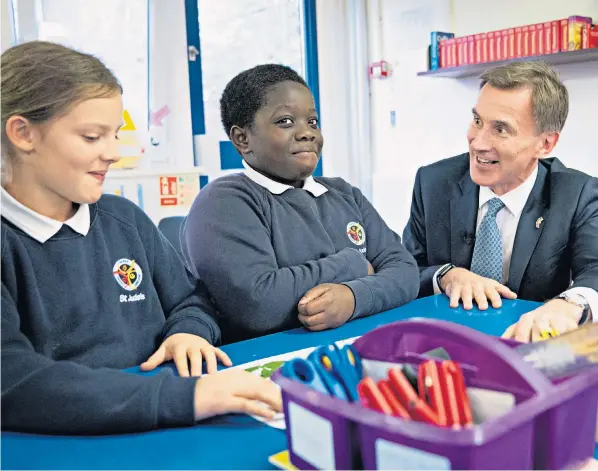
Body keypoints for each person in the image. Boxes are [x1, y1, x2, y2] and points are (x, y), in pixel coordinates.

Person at [1, 41, 281, 435]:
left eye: (115, 135)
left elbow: (191, 299)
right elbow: (13, 381)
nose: (113, 152)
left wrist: (188, 331)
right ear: (23, 133)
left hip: (166, 422)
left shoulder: (125, 220)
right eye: (92, 137)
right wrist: (189, 397)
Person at [181, 64, 419, 343]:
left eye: (313, 122)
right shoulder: (225, 201)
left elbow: (405, 273)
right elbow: (259, 304)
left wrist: (353, 298)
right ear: (243, 139)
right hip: (271, 361)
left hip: (357, 346)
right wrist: (354, 264)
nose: (307, 133)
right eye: (285, 121)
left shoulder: (344, 193)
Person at [402, 61, 597, 343]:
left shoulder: (577, 193)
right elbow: (404, 269)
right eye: (478, 121)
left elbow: (595, 270)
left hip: (526, 348)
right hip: (443, 345)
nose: (478, 142)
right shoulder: (433, 183)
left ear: (545, 144)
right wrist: (446, 275)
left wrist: (568, 306)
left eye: (501, 129)